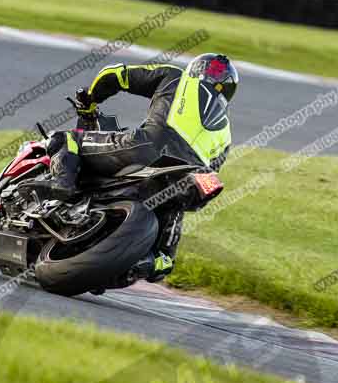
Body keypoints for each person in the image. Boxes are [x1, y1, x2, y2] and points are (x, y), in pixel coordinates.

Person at [21, 53, 238, 281]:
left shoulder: (177, 76)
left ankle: (62, 184)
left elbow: (114, 74)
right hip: (187, 177)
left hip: (145, 148)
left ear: (196, 69)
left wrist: (91, 100)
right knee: (165, 255)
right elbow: (212, 172)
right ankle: (149, 262)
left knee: (65, 139)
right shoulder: (227, 135)